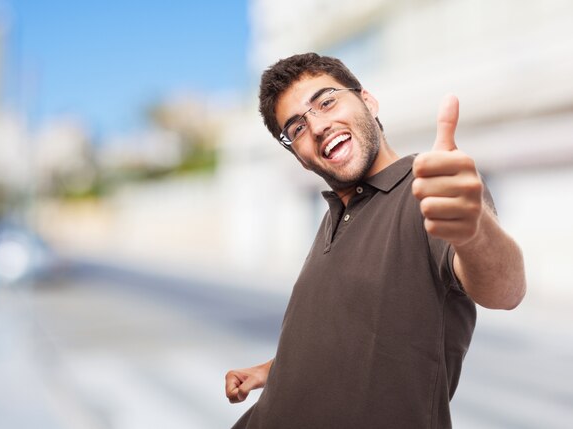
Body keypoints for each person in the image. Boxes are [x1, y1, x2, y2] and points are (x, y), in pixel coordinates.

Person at [225, 53, 526, 428]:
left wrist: (475, 228)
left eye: (326, 101)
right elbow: (352, 333)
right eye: (297, 128)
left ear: (367, 100)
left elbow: (506, 291)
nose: (316, 126)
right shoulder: (335, 214)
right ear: (299, 158)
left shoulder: (427, 190)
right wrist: (276, 370)